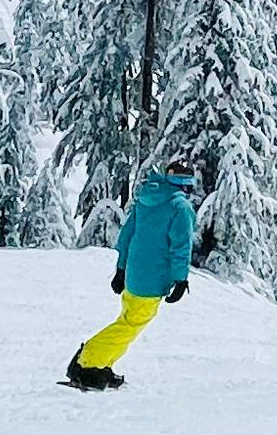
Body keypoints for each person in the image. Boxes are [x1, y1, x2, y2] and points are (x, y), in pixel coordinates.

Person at [65, 160, 197, 390]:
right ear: (186, 183)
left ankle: (101, 363)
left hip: (134, 273)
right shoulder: (180, 208)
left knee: (126, 320)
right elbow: (180, 247)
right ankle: (87, 362)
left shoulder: (145, 200)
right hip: (153, 278)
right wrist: (180, 279)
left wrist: (121, 269)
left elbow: (126, 235)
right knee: (130, 324)